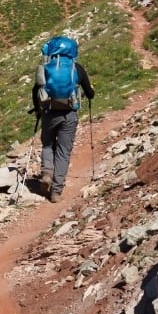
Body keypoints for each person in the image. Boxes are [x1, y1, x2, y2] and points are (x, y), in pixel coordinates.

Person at [32, 35, 94, 201]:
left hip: (49, 113)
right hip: (69, 115)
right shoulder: (77, 68)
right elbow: (90, 93)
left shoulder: (45, 67)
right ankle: (56, 192)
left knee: (47, 144)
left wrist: (38, 111)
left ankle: (46, 173)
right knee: (63, 152)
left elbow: (35, 91)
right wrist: (87, 92)